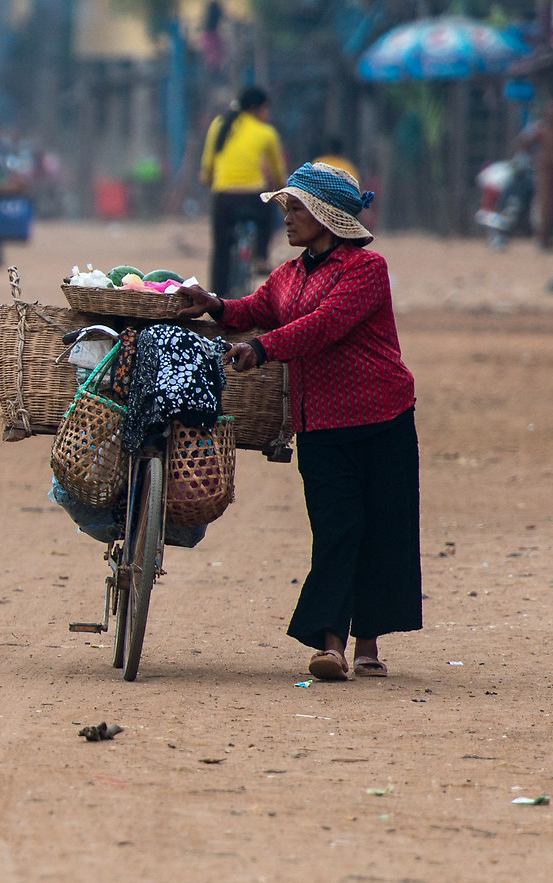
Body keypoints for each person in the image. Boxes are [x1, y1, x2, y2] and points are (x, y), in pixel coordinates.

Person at [174, 164, 419, 682]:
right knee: (335, 528)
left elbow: (323, 326)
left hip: (382, 415)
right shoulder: (287, 276)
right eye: (286, 207)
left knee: (381, 529)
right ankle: (332, 645)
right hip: (320, 423)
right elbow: (252, 308)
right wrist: (214, 305)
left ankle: (368, 644)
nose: (285, 218)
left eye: (296, 209)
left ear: (326, 217)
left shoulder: (365, 270)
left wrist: (262, 348)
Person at [198, 84, 285, 297]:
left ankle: (216, 297)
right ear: (256, 108)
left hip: (224, 197)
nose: (267, 114)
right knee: (268, 212)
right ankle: (260, 257)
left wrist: (210, 181)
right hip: (254, 198)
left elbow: (208, 166)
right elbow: (278, 172)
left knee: (220, 249)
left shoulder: (219, 125)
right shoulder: (266, 132)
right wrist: (282, 190)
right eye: (266, 109)